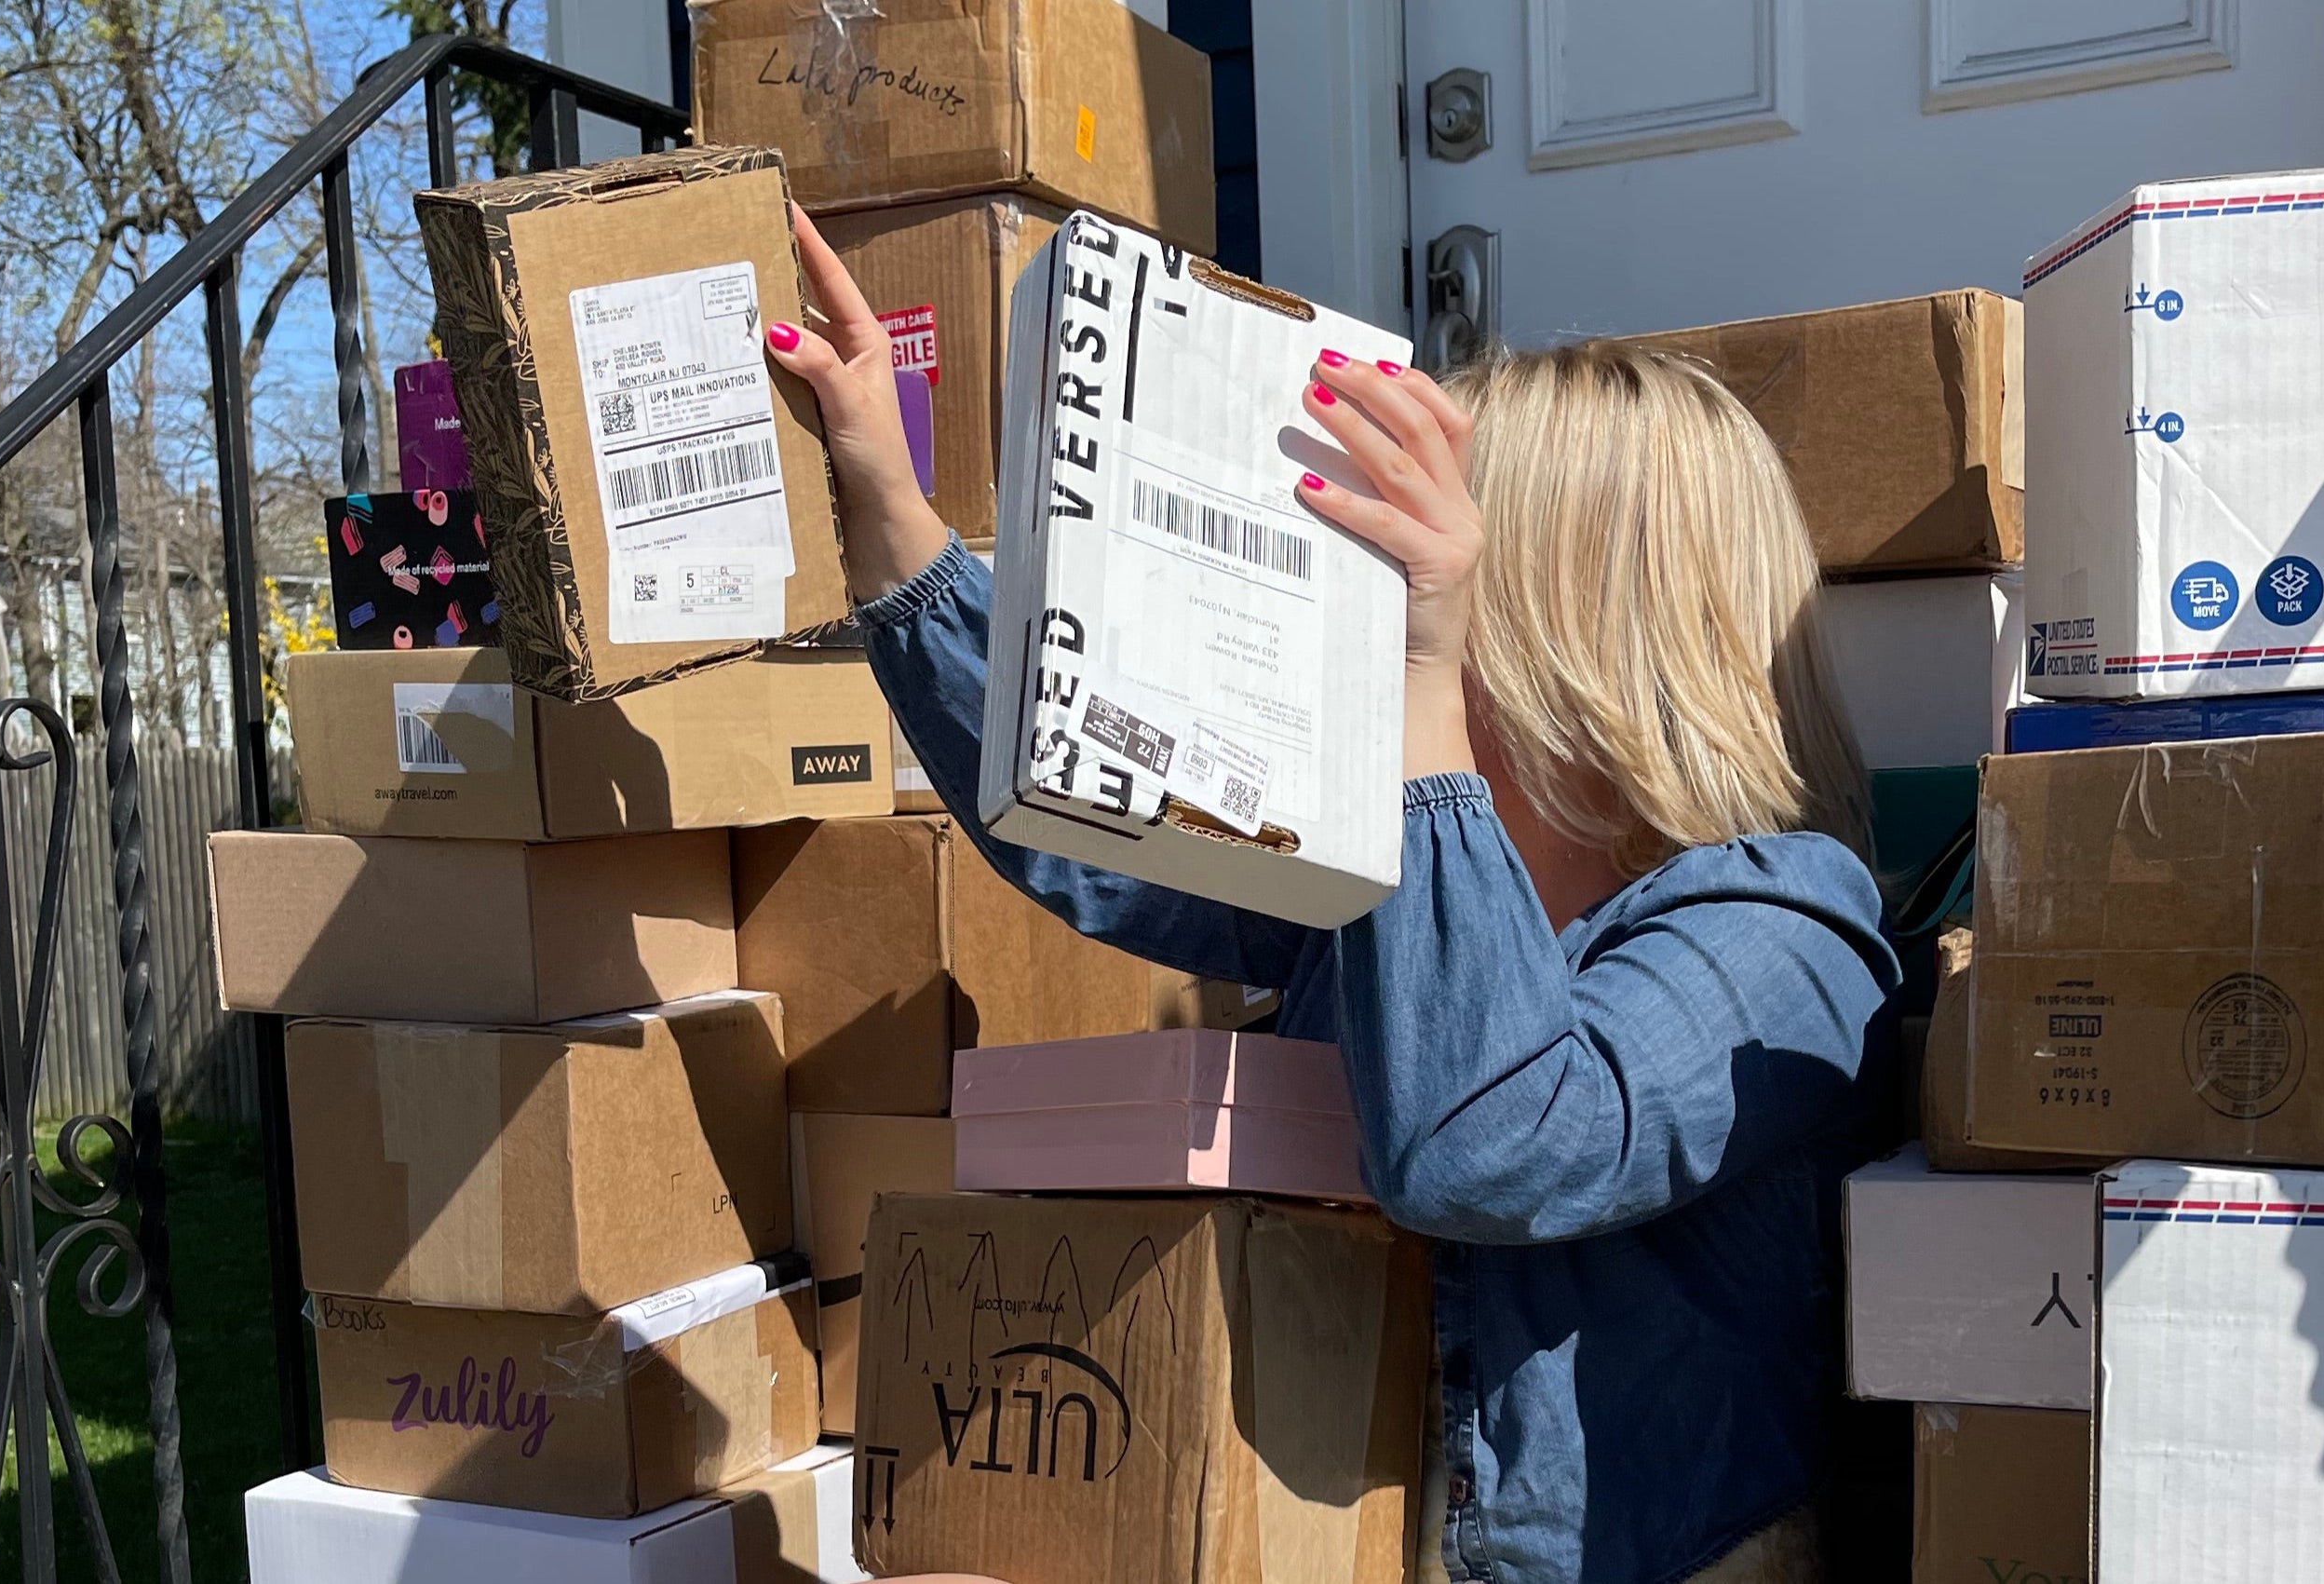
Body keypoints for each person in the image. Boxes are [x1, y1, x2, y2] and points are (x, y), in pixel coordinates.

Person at [768, 209, 1897, 1584]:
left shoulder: (1785, 929)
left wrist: (1421, 684)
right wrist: (894, 516)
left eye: (1427, 589)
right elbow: (1092, 835)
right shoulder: (1390, 868)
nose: (1371, 624)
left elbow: (1486, 1139)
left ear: (1568, 633)